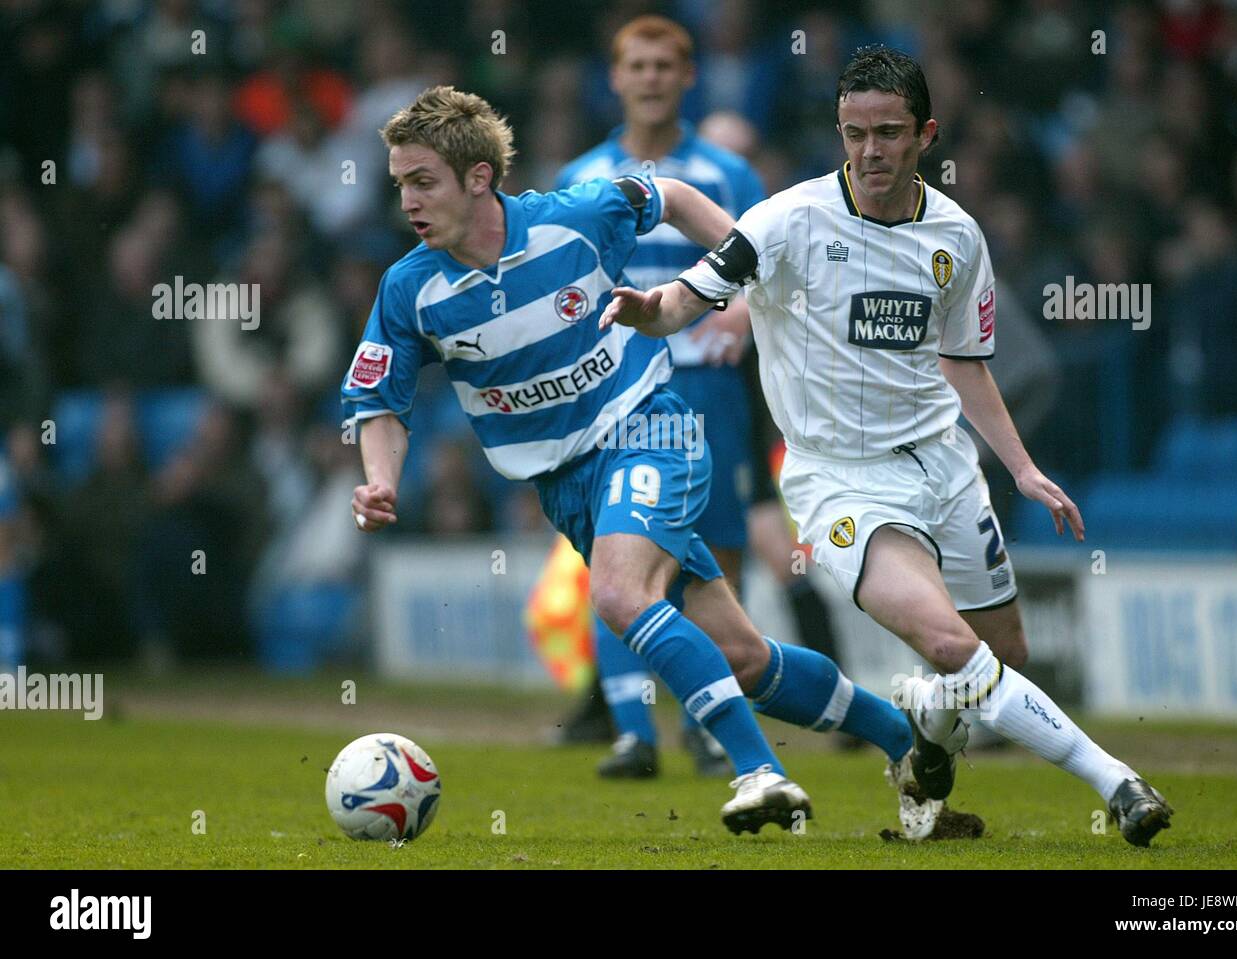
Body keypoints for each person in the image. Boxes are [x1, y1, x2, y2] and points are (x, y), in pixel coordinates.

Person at [599, 47, 1174, 847]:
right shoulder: (787, 221)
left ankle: (929, 727)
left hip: (945, 467)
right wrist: (646, 307)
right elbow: (683, 300)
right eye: (854, 132)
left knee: (1001, 654)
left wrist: (1022, 467)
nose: (870, 151)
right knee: (951, 644)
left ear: (926, 135)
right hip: (840, 483)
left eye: (889, 133)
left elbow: (965, 362)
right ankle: (1119, 783)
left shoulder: (956, 236)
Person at [343, 85, 946, 836]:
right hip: (568, 489)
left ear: (478, 178)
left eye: (422, 180)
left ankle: (760, 773)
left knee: (621, 596)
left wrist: (748, 279)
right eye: (400, 182)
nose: (408, 200)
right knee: (745, 657)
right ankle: (907, 741)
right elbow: (379, 403)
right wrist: (380, 479)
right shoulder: (410, 289)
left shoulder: (572, 218)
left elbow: (675, 196)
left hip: (648, 429)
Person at [552, 15, 762, 779]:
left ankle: (707, 724)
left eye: (664, 64)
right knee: (617, 552)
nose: (649, 77)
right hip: (614, 393)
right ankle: (634, 729)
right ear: (614, 77)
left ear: (688, 76)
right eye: (636, 64)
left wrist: (737, 312)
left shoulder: (728, 172)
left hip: (708, 384)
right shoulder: (580, 174)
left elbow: (762, 260)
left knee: (720, 553)